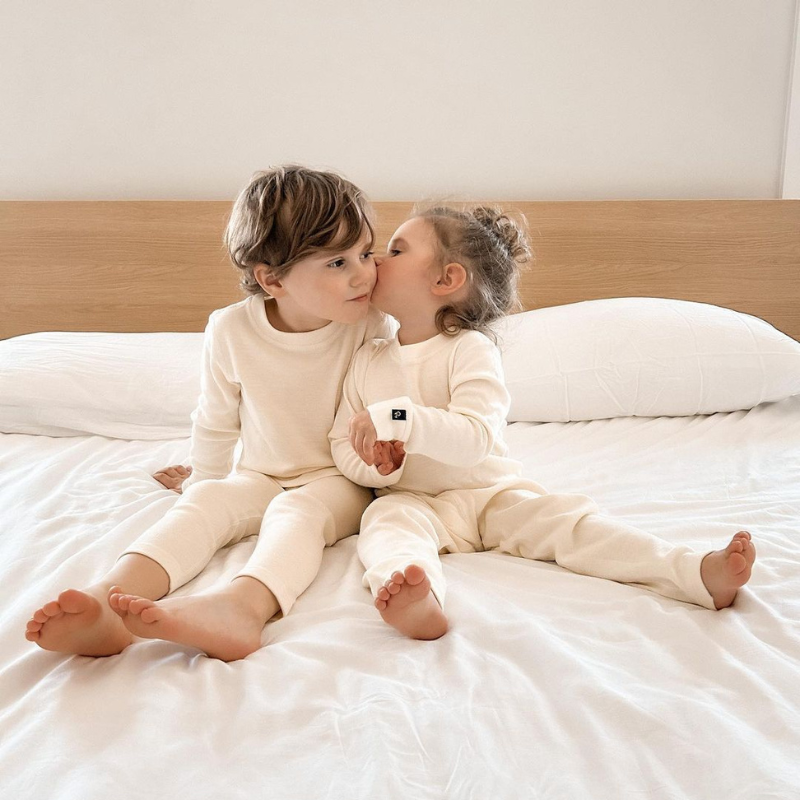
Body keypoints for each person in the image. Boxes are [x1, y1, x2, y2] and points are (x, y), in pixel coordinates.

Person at [329, 205, 757, 640]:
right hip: (414, 500)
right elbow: (341, 443)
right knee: (384, 523)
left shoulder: (469, 350)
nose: (377, 261)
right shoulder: (368, 360)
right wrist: (378, 464)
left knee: (570, 526)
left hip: (490, 494)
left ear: (446, 280)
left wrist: (398, 419)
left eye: (396, 251)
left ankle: (692, 572)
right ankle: (416, 596)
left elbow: (475, 437)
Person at [25, 165, 395, 661]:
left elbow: (398, 406)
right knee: (205, 505)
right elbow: (217, 420)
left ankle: (243, 609)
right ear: (272, 279)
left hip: (341, 482)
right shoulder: (231, 330)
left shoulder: (373, 325)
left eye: (365, 253)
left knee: (297, 512)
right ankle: (107, 602)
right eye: (336, 263)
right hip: (261, 473)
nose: (364, 273)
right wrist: (203, 480)